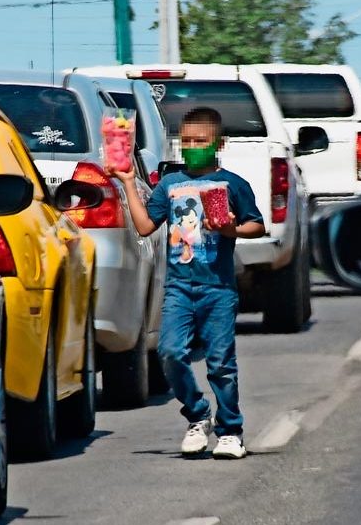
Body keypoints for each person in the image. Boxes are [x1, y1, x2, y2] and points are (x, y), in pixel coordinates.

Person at [110, 107, 265, 459]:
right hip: (179, 288)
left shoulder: (233, 184)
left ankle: (231, 431)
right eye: (187, 141)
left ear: (219, 144)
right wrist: (128, 182)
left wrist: (231, 229)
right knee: (169, 353)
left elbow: (257, 225)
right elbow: (145, 226)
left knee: (221, 363)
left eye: (201, 141)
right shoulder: (170, 185)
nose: (193, 147)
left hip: (218, 289)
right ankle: (197, 414)